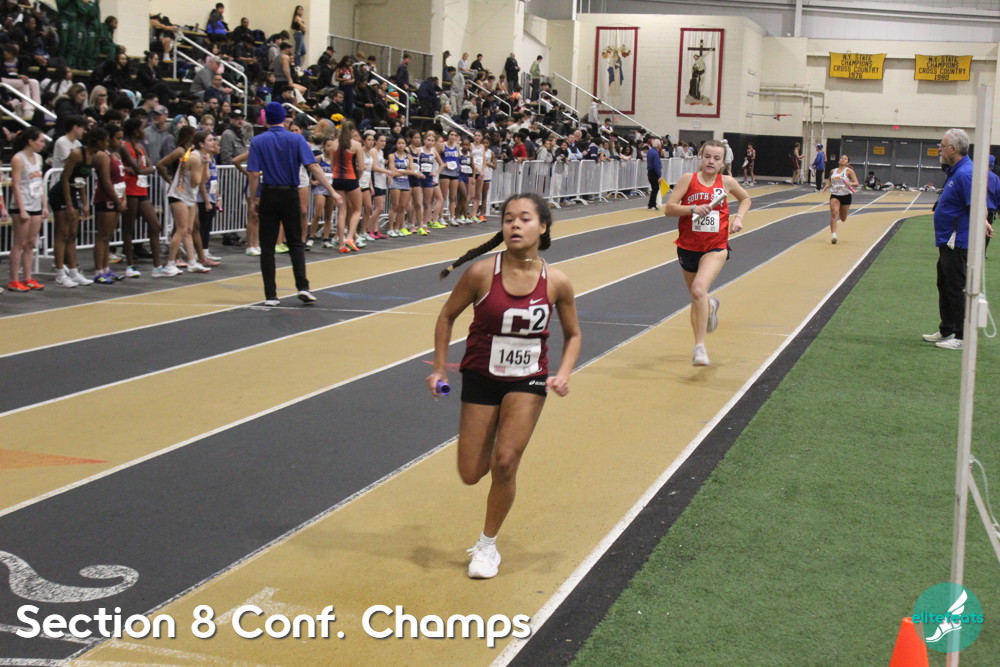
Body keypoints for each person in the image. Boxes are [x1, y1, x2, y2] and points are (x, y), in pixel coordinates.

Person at [427, 192, 582, 579]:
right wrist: (440, 368)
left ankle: (487, 546)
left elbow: (574, 334)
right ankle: (496, 434)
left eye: (525, 218)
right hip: (481, 376)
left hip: (528, 379)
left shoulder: (557, 282)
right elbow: (446, 316)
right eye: (509, 218)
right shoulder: (481, 273)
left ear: (542, 227)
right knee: (470, 473)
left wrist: (563, 373)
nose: (515, 224)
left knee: (506, 462)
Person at [664, 140, 751, 366]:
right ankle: (710, 306)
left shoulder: (727, 182)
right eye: (707, 157)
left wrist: (739, 218)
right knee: (698, 298)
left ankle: (699, 347)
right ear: (700, 158)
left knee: (698, 289)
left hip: (716, 245)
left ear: (723, 163)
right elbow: (669, 208)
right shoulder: (688, 180)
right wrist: (692, 208)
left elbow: (745, 198)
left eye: (716, 158)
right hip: (688, 246)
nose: (711, 161)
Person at [246, 102, 341, 306]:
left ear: (266, 119)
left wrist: (253, 199)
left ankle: (271, 295)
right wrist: (332, 191)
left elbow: (253, 173)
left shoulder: (258, 141)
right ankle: (303, 286)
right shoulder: (296, 139)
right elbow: (313, 166)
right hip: (290, 193)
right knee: (296, 242)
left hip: (269, 192)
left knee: (267, 246)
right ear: (284, 119)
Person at [923, 128, 993, 351]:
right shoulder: (956, 171)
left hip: (958, 241)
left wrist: (983, 221)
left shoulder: (965, 174)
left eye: (942, 146)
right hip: (947, 240)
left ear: (953, 149)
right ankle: (947, 329)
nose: (939, 150)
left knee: (956, 287)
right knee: (944, 284)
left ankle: (963, 337)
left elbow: (977, 204)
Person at [6, 128, 46, 292]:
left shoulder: (38, 158)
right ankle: (14, 279)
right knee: (19, 243)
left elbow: (40, 183)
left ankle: (28, 277)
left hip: (35, 203)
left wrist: (44, 205)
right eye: (41, 141)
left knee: (31, 243)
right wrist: (22, 209)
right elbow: (15, 185)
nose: (43, 144)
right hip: (22, 204)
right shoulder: (18, 158)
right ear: (31, 141)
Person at [820, 154, 859, 244]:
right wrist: (827, 185)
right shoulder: (833, 171)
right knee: (834, 213)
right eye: (841, 158)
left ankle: (842, 215)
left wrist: (850, 184)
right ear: (839, 160)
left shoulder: (849, 171)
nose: (842, 159)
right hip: (835, 194)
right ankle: (834, 236)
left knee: (843, 218)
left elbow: (856, 182)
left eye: (845, 159)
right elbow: (829, 179)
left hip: (846, 195)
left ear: (847, 162)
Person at [646, 138, 662, 210]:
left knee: (654, 188)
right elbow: (656, 165)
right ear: (658, 145)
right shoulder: (655, 153)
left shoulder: (650, 151)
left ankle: (651, 204)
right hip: (654, 172)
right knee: (656, 188)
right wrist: (659, 175)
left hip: (650, 171)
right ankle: (653, 204)